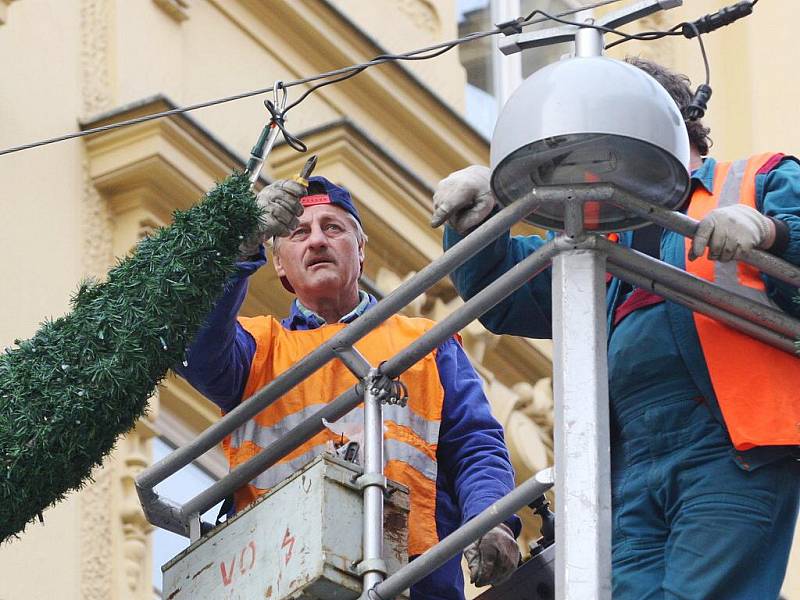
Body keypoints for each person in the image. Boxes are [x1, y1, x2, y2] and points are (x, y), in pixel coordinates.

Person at [430, 56, 800, 599]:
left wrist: (771, 233)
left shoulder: (754, 180)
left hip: (729, 447)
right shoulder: (601, 238)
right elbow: (506, 293)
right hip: (627, 465)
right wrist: (479, 224)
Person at [176, 175, 521, 599]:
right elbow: (199, 351)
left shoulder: (424, 344)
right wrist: (240, 248)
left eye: (333, 228)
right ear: (279, 264)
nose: (317, 241)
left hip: (414, 583)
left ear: (360, 250)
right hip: (286, 579)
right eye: (297, 232)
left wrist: (493, 520)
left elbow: (475, 444)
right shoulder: (258, 350)